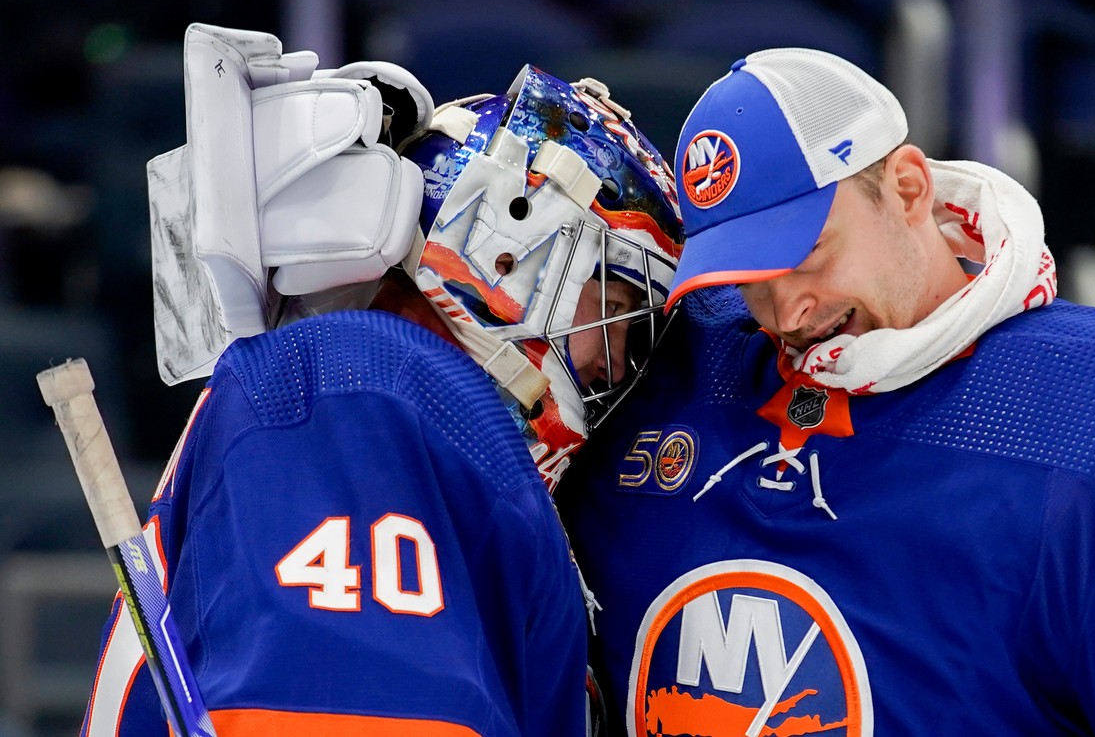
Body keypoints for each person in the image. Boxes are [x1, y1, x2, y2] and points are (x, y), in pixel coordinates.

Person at [557, 47, 1095, 735]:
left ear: (908, 188)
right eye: (747, 279)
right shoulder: (664, 368)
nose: (786, 312)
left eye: (806, 255)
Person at [80, 43, 684, 735]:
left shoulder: (401, 417)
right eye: (612, 307)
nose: (614, 363)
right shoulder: (365, 391)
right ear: (510, 244)